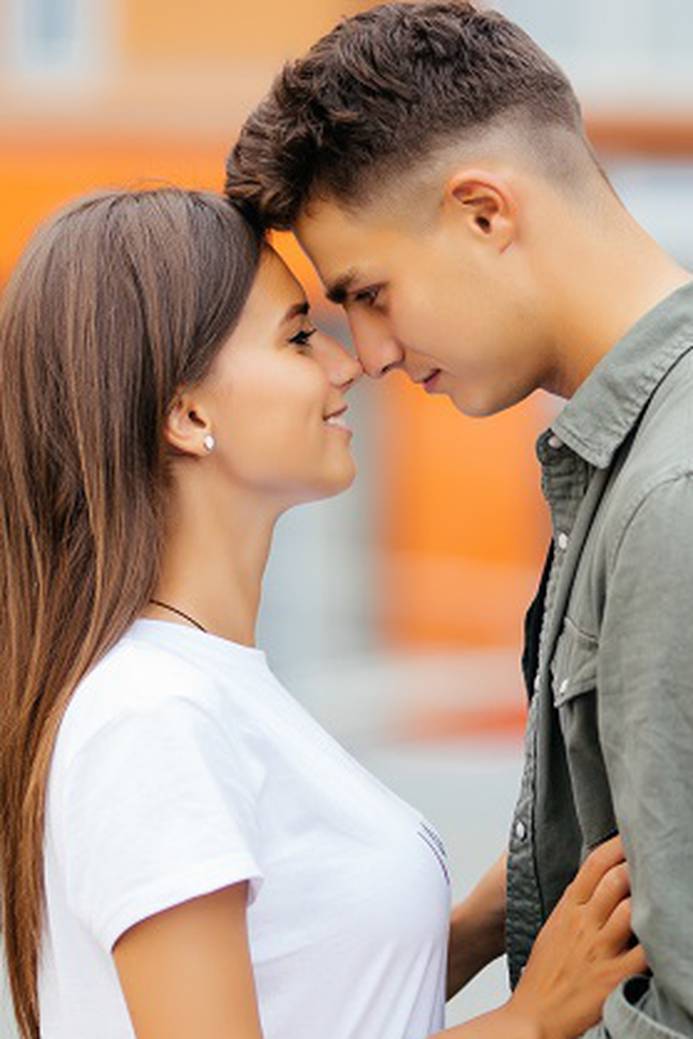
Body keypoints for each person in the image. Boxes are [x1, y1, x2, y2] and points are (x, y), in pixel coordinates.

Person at [0, 188, 642, 1039]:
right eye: (299, 337)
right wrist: (528, 1020)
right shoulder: (151, 716)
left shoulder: (203, 685)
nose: (348, 365)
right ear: (189, 414)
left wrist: (487, 921)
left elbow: (303, 991)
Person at [225, 2, 693, 1037]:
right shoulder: (626, 468)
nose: (375, 355)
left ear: (485, 212)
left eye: (371, 294)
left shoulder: (672, 495)